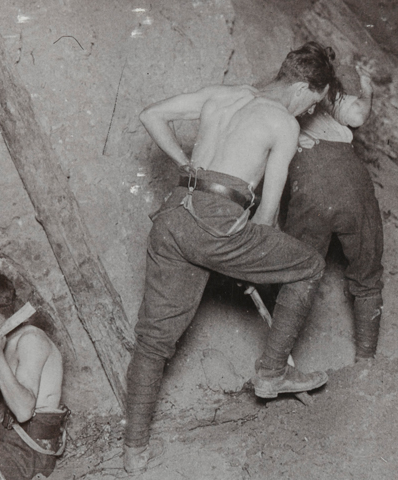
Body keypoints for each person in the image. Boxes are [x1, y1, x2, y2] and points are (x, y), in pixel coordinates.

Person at [123, 41, 340, 474]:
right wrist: (254, 260)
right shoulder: (282, 122)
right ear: (300, 88)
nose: (305, 113)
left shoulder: (224, 94)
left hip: (173, 214)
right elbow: (266, 214)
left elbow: (151, 114)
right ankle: (272, 373)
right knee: (310, 265)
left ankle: (134, 451)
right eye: (310, 104)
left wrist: (187, 164)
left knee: (153, 341)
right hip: (218, 223)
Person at [283, 62, 383, 362]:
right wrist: (366, 85)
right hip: (350, 178)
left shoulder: (275, 93)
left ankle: (275, 367)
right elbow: (358, 114)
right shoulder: (327, 88)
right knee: (367, 274)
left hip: (309, 178)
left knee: (297, 272)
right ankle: (367, 362)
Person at [0, 269, 67, 480]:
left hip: (31, 449)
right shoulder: (6, 342)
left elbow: (24, 411)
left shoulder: (31, 340)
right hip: (8, 438)